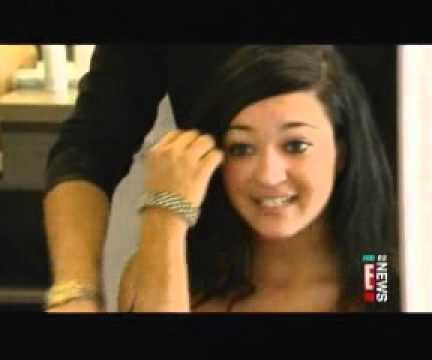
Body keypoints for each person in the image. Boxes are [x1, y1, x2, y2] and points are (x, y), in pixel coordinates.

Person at [43, 45, 398, 312]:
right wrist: (165, 218)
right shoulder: (188, 278)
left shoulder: (373, 273)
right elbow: (90, 144)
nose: (269, 174)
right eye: (242, 148)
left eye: (295, 145)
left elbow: (380, 291)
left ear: (342, 151)